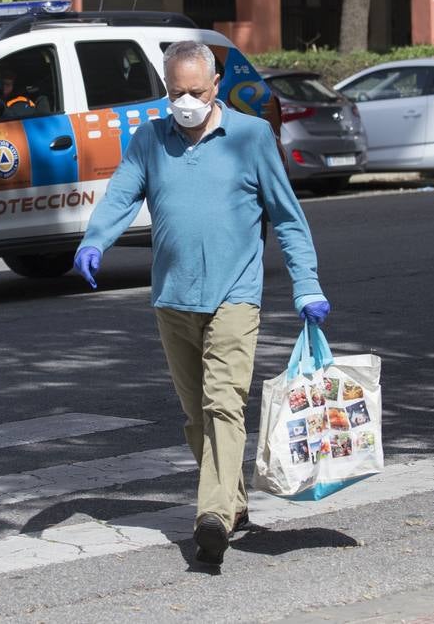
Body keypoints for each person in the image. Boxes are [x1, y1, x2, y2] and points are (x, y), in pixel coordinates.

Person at [72, 41, 330, 567]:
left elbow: (286, 217)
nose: (184, 102)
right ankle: (233, 503)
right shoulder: (150, 138)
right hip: (172, 298)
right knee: (197, 416)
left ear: (215, 87)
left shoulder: (252, 137)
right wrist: (94, 239)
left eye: (194, 91)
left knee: (223, 405)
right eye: (175, 92)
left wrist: (307, 284)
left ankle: (210, 518)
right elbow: (123, 193)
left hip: (235, 296)